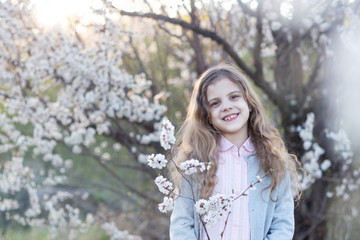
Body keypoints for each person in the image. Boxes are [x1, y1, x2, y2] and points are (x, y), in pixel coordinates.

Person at [168, 63, 301, 240]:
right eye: (215, 103)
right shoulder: (195, 163)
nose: (226, 106)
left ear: (249, 103)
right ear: (206, 115)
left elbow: (282, 225)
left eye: (234, 97)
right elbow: (181, 224)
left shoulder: (274, 162)